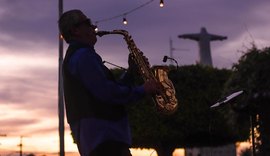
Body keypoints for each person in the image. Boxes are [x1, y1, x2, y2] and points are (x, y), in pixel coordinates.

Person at [58, 9, 161, 156]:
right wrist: (143, 90)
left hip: (101, 141)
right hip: (105, 140)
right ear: (75, 30)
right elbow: (108, 93)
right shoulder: (83, 56)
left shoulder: (79, 56)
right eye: (87, 23)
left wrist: (131, 72)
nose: (93, 27)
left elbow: (106, 90)